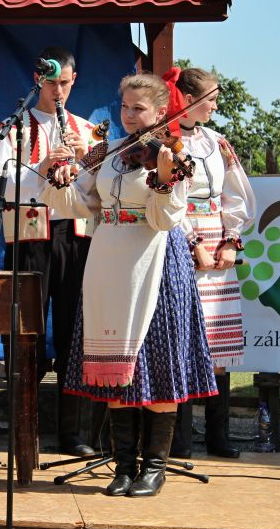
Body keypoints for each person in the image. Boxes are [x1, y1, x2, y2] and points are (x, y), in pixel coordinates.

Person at [41, 73, 217, 497]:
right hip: (109, 261)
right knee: (114, 364)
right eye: (124, 107)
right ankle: (123, 466)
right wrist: (58, 179)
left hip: (156, 261)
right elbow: (82, 202)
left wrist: (164, 178)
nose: (129, 115)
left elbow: (164, 218)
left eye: (139, 108)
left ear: (161, 112)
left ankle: (154, 467)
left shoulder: (174, 154)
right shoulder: (107, 150)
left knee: (158, 361)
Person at [0, 47, 101, 457]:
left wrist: (82, 163)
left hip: (76, 237)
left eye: (64, 83)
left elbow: (102, 189)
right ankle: (23, 429)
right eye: (51, 83)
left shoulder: (89, 130)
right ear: (38, 80)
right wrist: (45, 166)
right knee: (25, 332)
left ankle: (71, 433)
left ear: (74, 79)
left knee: (74, 332)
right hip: (29, 237)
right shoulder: (14, 127)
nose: (58, 91)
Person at [165, 67, 255, 459]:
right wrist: (193, 243)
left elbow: (236, 195)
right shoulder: (166, 143)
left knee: (219, 343)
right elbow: (169, 199)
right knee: (184, 339)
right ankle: (179, 439)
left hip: (218, 243)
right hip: (181, 241)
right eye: (211, 99)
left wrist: (231, 240)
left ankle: (219, 436)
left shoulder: (217, 142)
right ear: (187, 100)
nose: (215, 106)